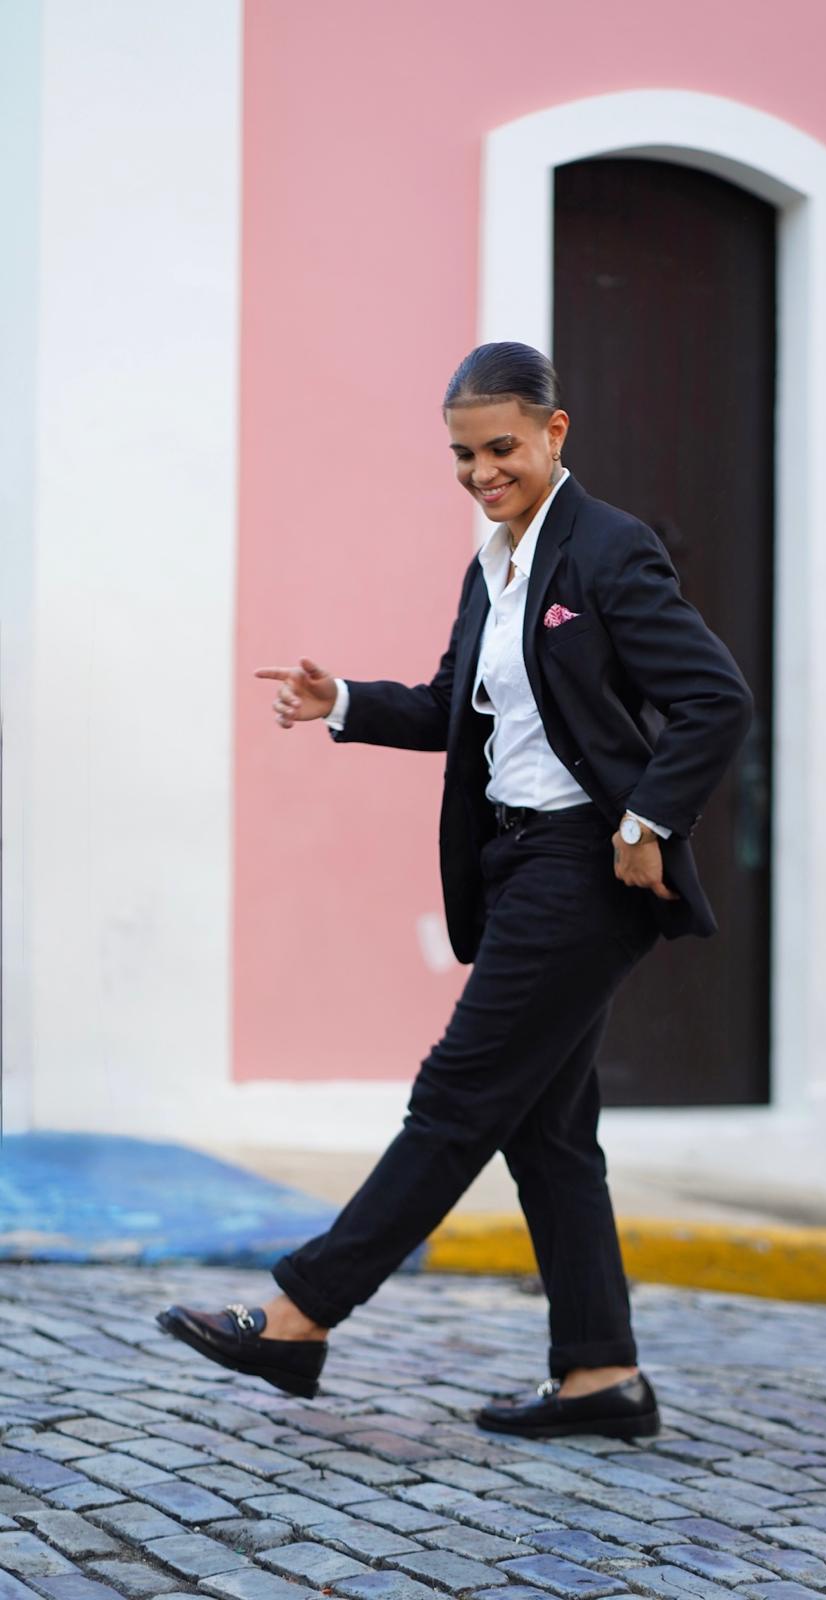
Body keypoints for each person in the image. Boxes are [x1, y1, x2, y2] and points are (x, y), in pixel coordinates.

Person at [157, 342, 753, 1440]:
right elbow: (452, 708)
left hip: (582, 870)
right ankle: (601, 1375)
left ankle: (299, 1315)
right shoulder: (494, 562)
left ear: (555, 432)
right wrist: (344, 700)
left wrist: (646, 822)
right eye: (462, 455)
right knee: (548, 1133)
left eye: (501, 448)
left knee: (457, 1095)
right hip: (517, 862)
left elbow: (715, 697)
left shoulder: (608, 550)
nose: (482, 472)